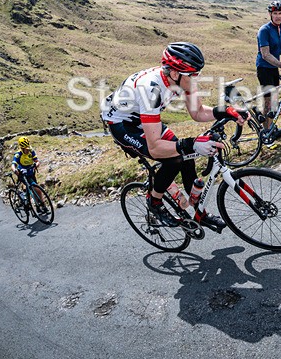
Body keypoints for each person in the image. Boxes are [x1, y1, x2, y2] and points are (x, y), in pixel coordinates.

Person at [101, 42, 248, 230]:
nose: (197, 78)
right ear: (175, 74)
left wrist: (228, 111)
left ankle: (198, 210)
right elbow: (155, 147)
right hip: (123, 125)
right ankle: (154, 202)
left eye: (198, 73)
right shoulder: (151, 89)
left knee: (187, 157)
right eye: (193, 75)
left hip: (144, 118)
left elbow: (198, 112)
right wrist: (192, 143)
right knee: (174, 159)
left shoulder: (183, 79)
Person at [255, 1, 281, 139]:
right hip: (264, 68)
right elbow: (266, 54)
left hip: (273, 68)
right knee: (268, 101)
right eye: (275, 13)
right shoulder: (264, 30)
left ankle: (270, 128)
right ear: (270, 14)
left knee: (273, 100)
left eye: (280, 13)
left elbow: (276, 48)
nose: (278, 16)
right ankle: (266, 133)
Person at [11, 136, 48, 215]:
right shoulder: (18, 154)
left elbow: (37, 161)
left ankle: (40, 206)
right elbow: (13, 165)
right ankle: (36, 205)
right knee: (33, 187)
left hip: (31, 172)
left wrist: (36, 165)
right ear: (22, 148)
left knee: (36, 189)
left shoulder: (31, 150)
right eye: (25, 149)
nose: (27, 150)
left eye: (28, 148)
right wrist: (15, 170)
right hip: (23, 174)